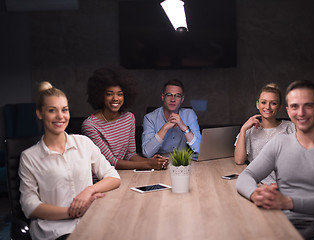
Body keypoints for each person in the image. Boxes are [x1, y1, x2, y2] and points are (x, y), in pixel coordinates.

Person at [236, 80, 314, 240]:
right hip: (282, 224)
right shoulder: (279, 143)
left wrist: (288, 203)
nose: (301, 113)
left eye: (308, 105)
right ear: (288, 110)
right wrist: (254, 194)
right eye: (295, 106)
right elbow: (246, 176)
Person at [19, 81, 121, 240]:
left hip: (91, 223)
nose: (60, 116)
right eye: (52, 110)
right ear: (40, 113)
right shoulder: (29, 157)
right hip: (55, 231)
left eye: (64, 110)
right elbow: (29, 206)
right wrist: (71, 212)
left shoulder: (84, 143)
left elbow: (113, 177)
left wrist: (89, 191)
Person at [82, 67, 168, 170]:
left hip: (123, 175)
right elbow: (111, 162)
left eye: (120, 94)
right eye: (109, 94)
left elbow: (130, 155)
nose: (115, 98)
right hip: (100, 180)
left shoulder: (129, 118)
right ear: (101, 96)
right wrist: (149, 164)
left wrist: (154, 161)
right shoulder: (90, 125)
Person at [234, 83, 295, 184]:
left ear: (279, 107)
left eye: (273, 103)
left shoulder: (290, 127)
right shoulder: (250, 130)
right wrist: (243, 129)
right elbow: (239, 160)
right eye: (263, 102)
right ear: (258, 104)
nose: (267, 107)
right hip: (260, 185)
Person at [142, 79, 201, 158]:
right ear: (163, 97)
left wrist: (184, 128)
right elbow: (147, 153)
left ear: (182, 99)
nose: (173, 99)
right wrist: (165, 128)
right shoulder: (149, 118)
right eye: (169, 95)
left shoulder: (189, 114)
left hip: (182, 162)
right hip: (160, 162)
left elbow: (200, 149)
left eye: (177, 96)